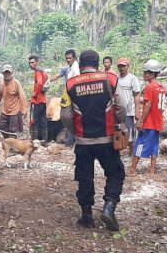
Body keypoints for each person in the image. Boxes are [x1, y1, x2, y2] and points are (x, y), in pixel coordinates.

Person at [60, 50, 127, 232]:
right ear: (98, 64)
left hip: (83, 141)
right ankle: (109, 207)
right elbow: (122, 106)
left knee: (84, 176)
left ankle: (87, 216)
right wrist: (117, 122)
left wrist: (75, 132)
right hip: (106, 139)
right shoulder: (110, 79)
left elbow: (65, 114)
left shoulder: (70, 84)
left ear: (80, 65)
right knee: (115, 173)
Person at [130, 59, 166, 176]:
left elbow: (148, 105)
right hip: (157, 123)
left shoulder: (150, 87)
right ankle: (152, 170)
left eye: (146, 72)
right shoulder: (161, 87)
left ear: (152, 73)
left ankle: (132, 170)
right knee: (154, 145)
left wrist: (141, 120)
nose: (144, 74)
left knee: (139, 144)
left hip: (149, 123)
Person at [49, 49, 80, 146]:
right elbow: (56, 76)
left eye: (70, 58)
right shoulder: (66, 69)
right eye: (66, 58)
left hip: (77, 95)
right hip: (68, 94)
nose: (68, 60)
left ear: (74, 58)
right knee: (65, 115)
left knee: (77, 116)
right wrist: (46, 80)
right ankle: (72, 137)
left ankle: (72, 139)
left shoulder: (77, 69)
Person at [0, 65, 28, 138]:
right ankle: (7, 142)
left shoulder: (16, 83)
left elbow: (22, 96)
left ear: (12, 73)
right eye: (5, 73)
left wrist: (25, 109)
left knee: (13, 131)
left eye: (8, 72)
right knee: (1, 128)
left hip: (15, 111)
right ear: (2, 73)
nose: (7, 74)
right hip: (5, 110)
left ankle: (13, 146)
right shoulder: (1, 82)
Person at [116, 58, 141, 155]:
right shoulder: (116, 78)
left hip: (129, 110)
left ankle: (131, 153)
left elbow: (137, 95)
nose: (121, 68)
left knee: (130, 133)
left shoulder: (132, 78)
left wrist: (137, 110)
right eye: (120, 66)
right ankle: (118, 150)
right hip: (118, 110)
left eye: (123, 66)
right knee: (117, 131)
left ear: (128, 66)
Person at [29, 55, 49, 143]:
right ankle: (44, 140)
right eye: (29, 63)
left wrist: (34, 94)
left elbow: (40, 83)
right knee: (43, 120)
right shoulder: (42, 71)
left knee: (35, 120)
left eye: (33, 62)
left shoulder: (38, 71)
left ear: (37, 62)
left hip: (38, 100)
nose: (31, 64)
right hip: (43, 100)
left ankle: (34, 140)